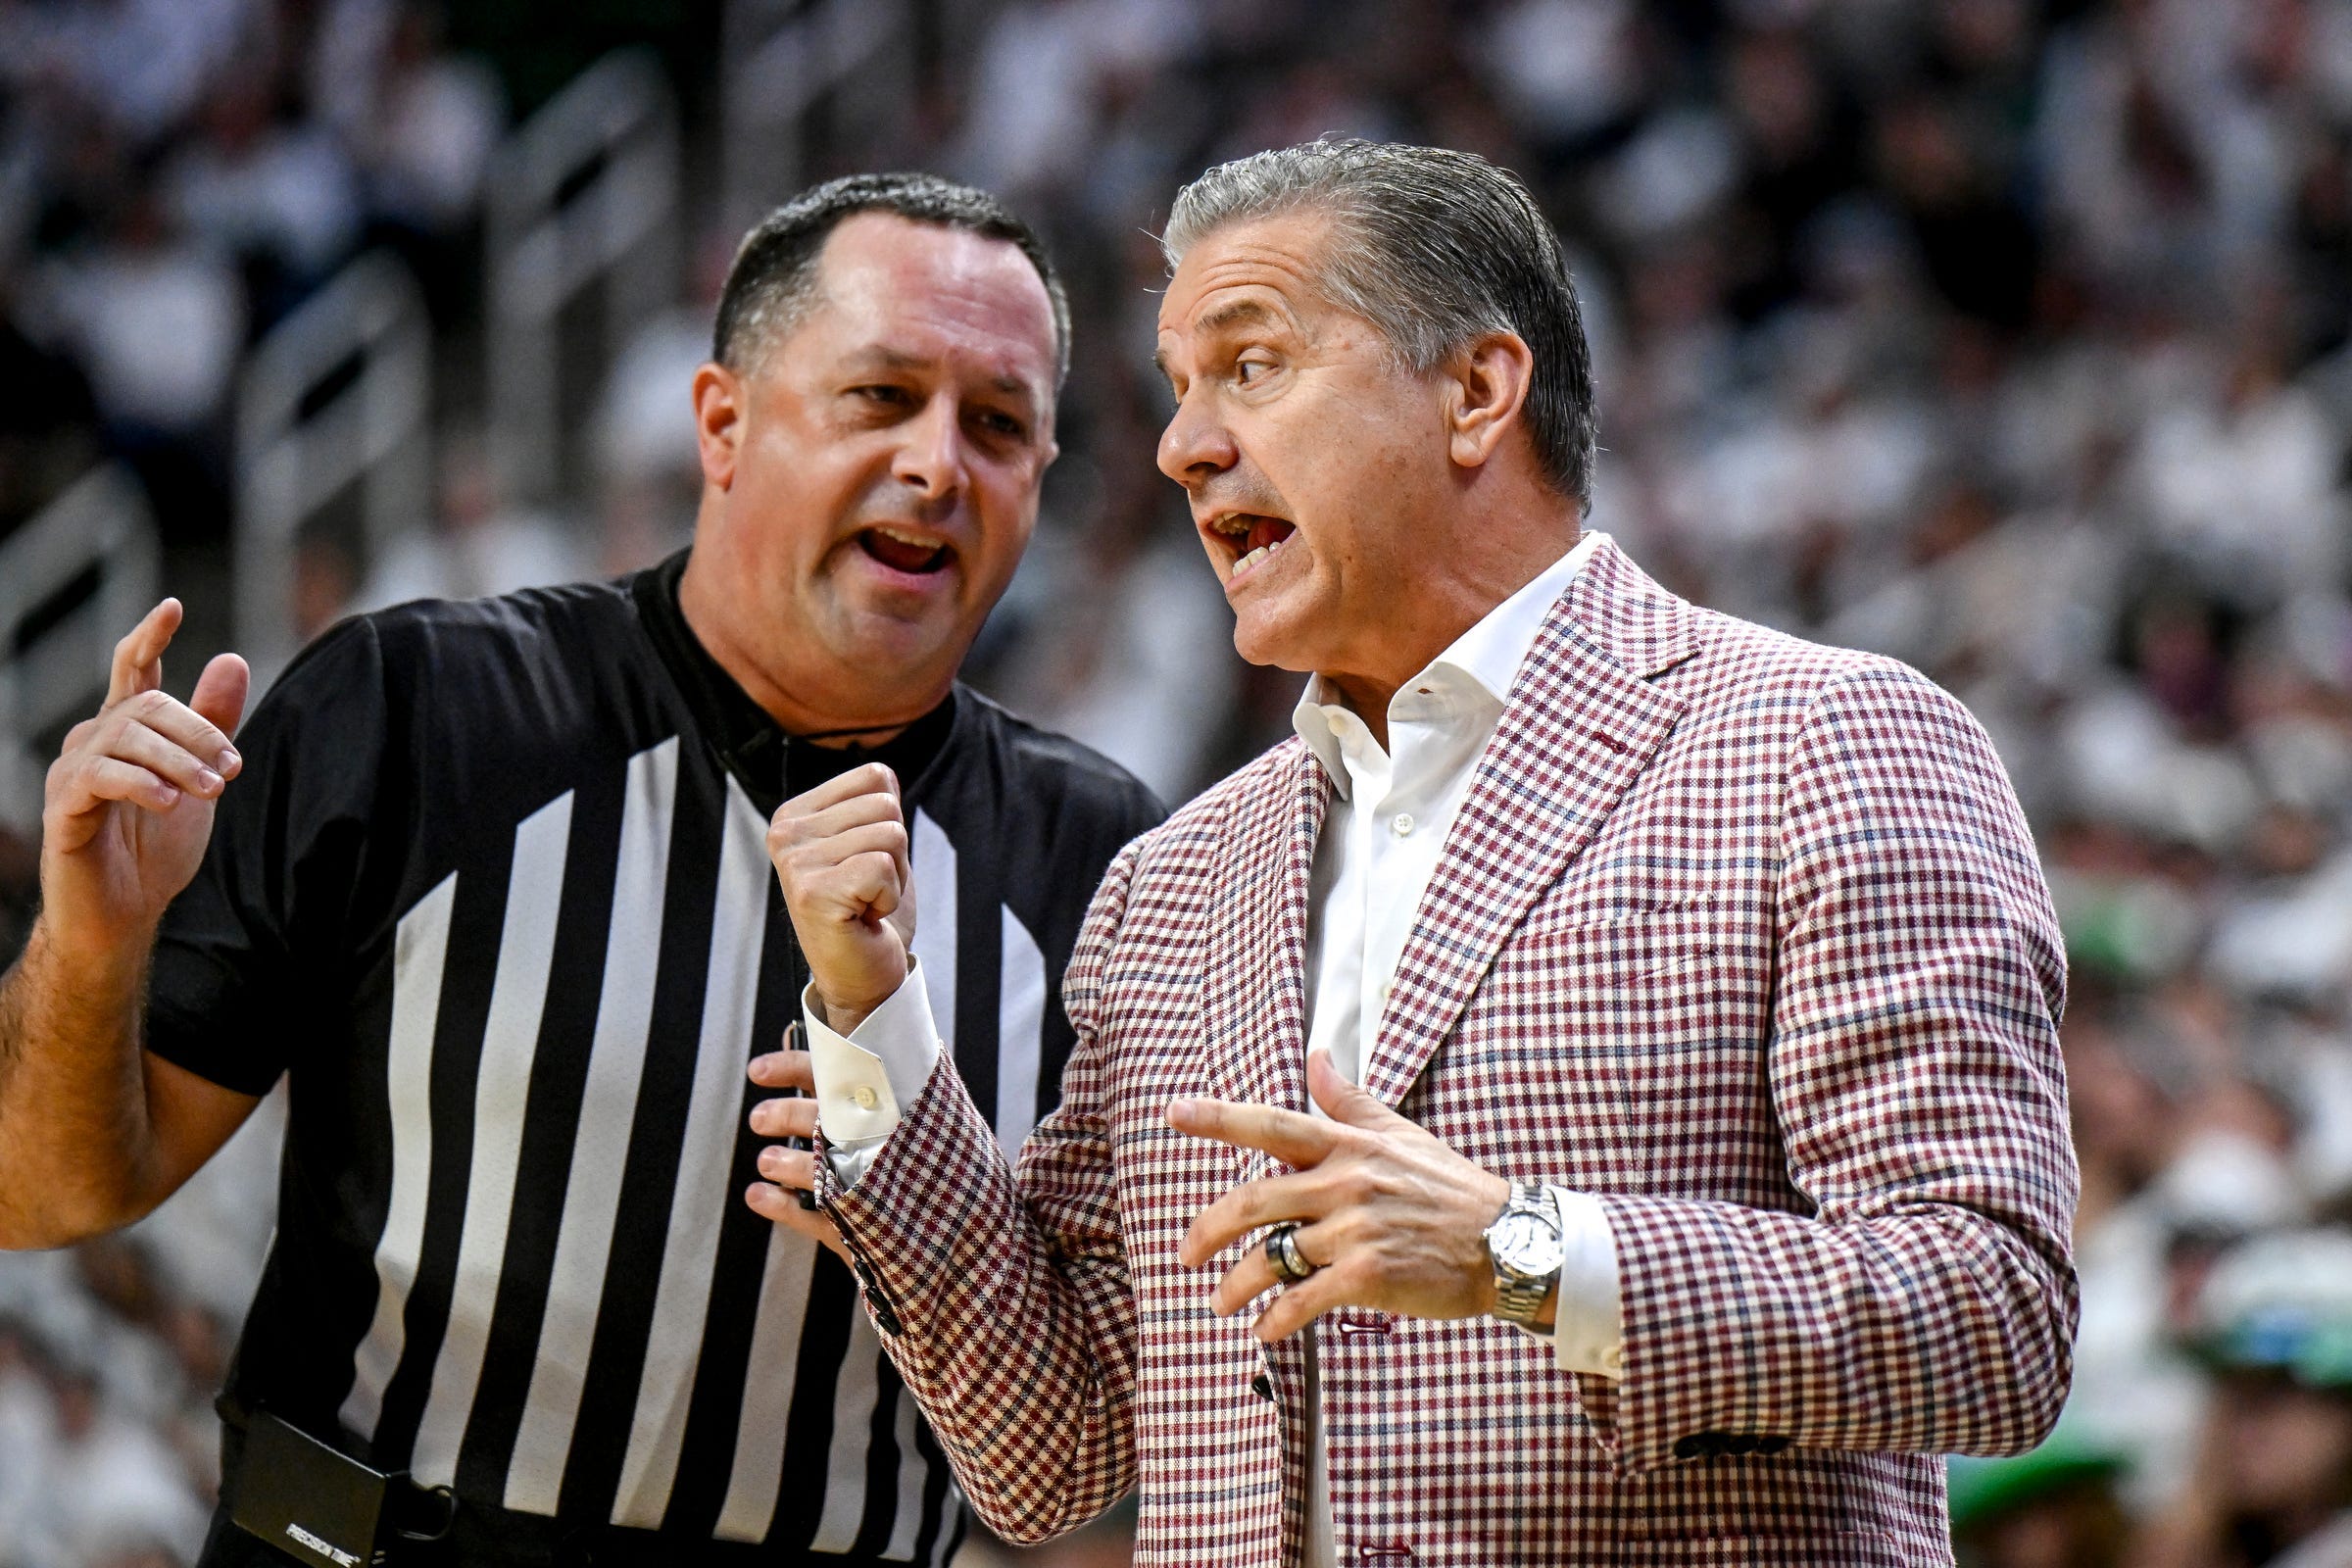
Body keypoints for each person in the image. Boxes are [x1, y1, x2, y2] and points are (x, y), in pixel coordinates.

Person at [753, 139, 2078, 1565]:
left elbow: (1993, 1319)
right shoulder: (1171, 882)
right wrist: (875, 1018)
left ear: (1477, 393)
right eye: (1178, 386)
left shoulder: (1824, 742)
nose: (1182, 444)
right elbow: (1053, 1446)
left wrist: (1525, 1254)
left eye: (1251, 365)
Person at [0, 172, 1162, 1565]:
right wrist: (89, 948)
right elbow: (40, 1195)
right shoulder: (416, 712)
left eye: (999, 425)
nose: (938, 464)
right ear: (722, 424)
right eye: (881, 396)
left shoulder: (1109, 865)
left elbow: (1085, 1452)